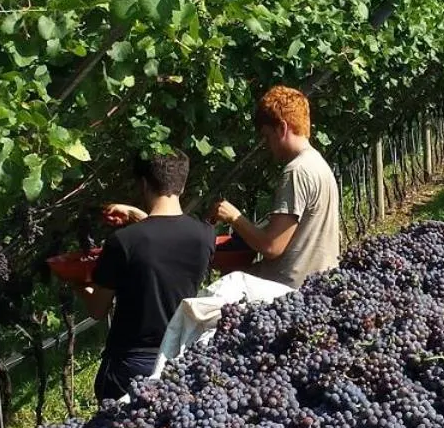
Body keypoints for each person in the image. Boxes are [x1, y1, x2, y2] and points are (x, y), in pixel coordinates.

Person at [83, 149, 216, 401]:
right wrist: (139, 217)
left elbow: (97, 310)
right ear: (183, 185)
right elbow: (164, 241)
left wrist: (78, 283)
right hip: (178, 357)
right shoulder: (204, 236)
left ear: (143, 183)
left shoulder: (123, 242)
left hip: (129, 365)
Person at [209, 87, 341, 290]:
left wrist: (234, 218)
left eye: (267, 136)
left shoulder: (296, 172)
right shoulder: (318, 163)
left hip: (289, 290)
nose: (267, 145)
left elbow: (272, 246)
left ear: (282, 128)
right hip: (318, 284)